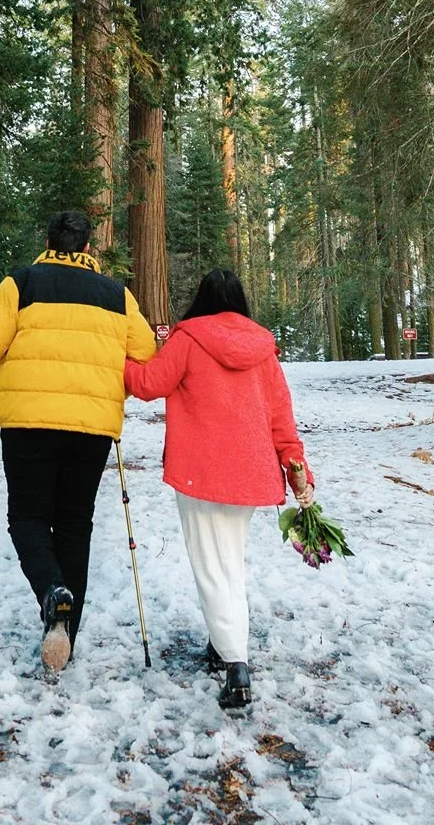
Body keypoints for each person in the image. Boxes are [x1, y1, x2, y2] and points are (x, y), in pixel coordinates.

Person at [0, 209, 157, 671]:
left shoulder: (21, 283)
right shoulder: (116, 294)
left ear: (47, 242)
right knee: (75, 523)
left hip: (27, 422)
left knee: (27, 517)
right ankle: (65, 634)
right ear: (87, 248)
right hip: (91, 425)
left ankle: (51, 592)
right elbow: (144, 351)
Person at [124, 267, 314, 710]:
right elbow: (281, 419)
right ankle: (221, 642)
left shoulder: (188, 338)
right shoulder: (263, 348)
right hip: (251, 473)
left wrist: (112, 357)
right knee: (228, 560)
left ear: (202, 298)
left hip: (201, 473)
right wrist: (297, 470)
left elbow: (148, 384)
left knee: (212, 566)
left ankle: (236, 665)